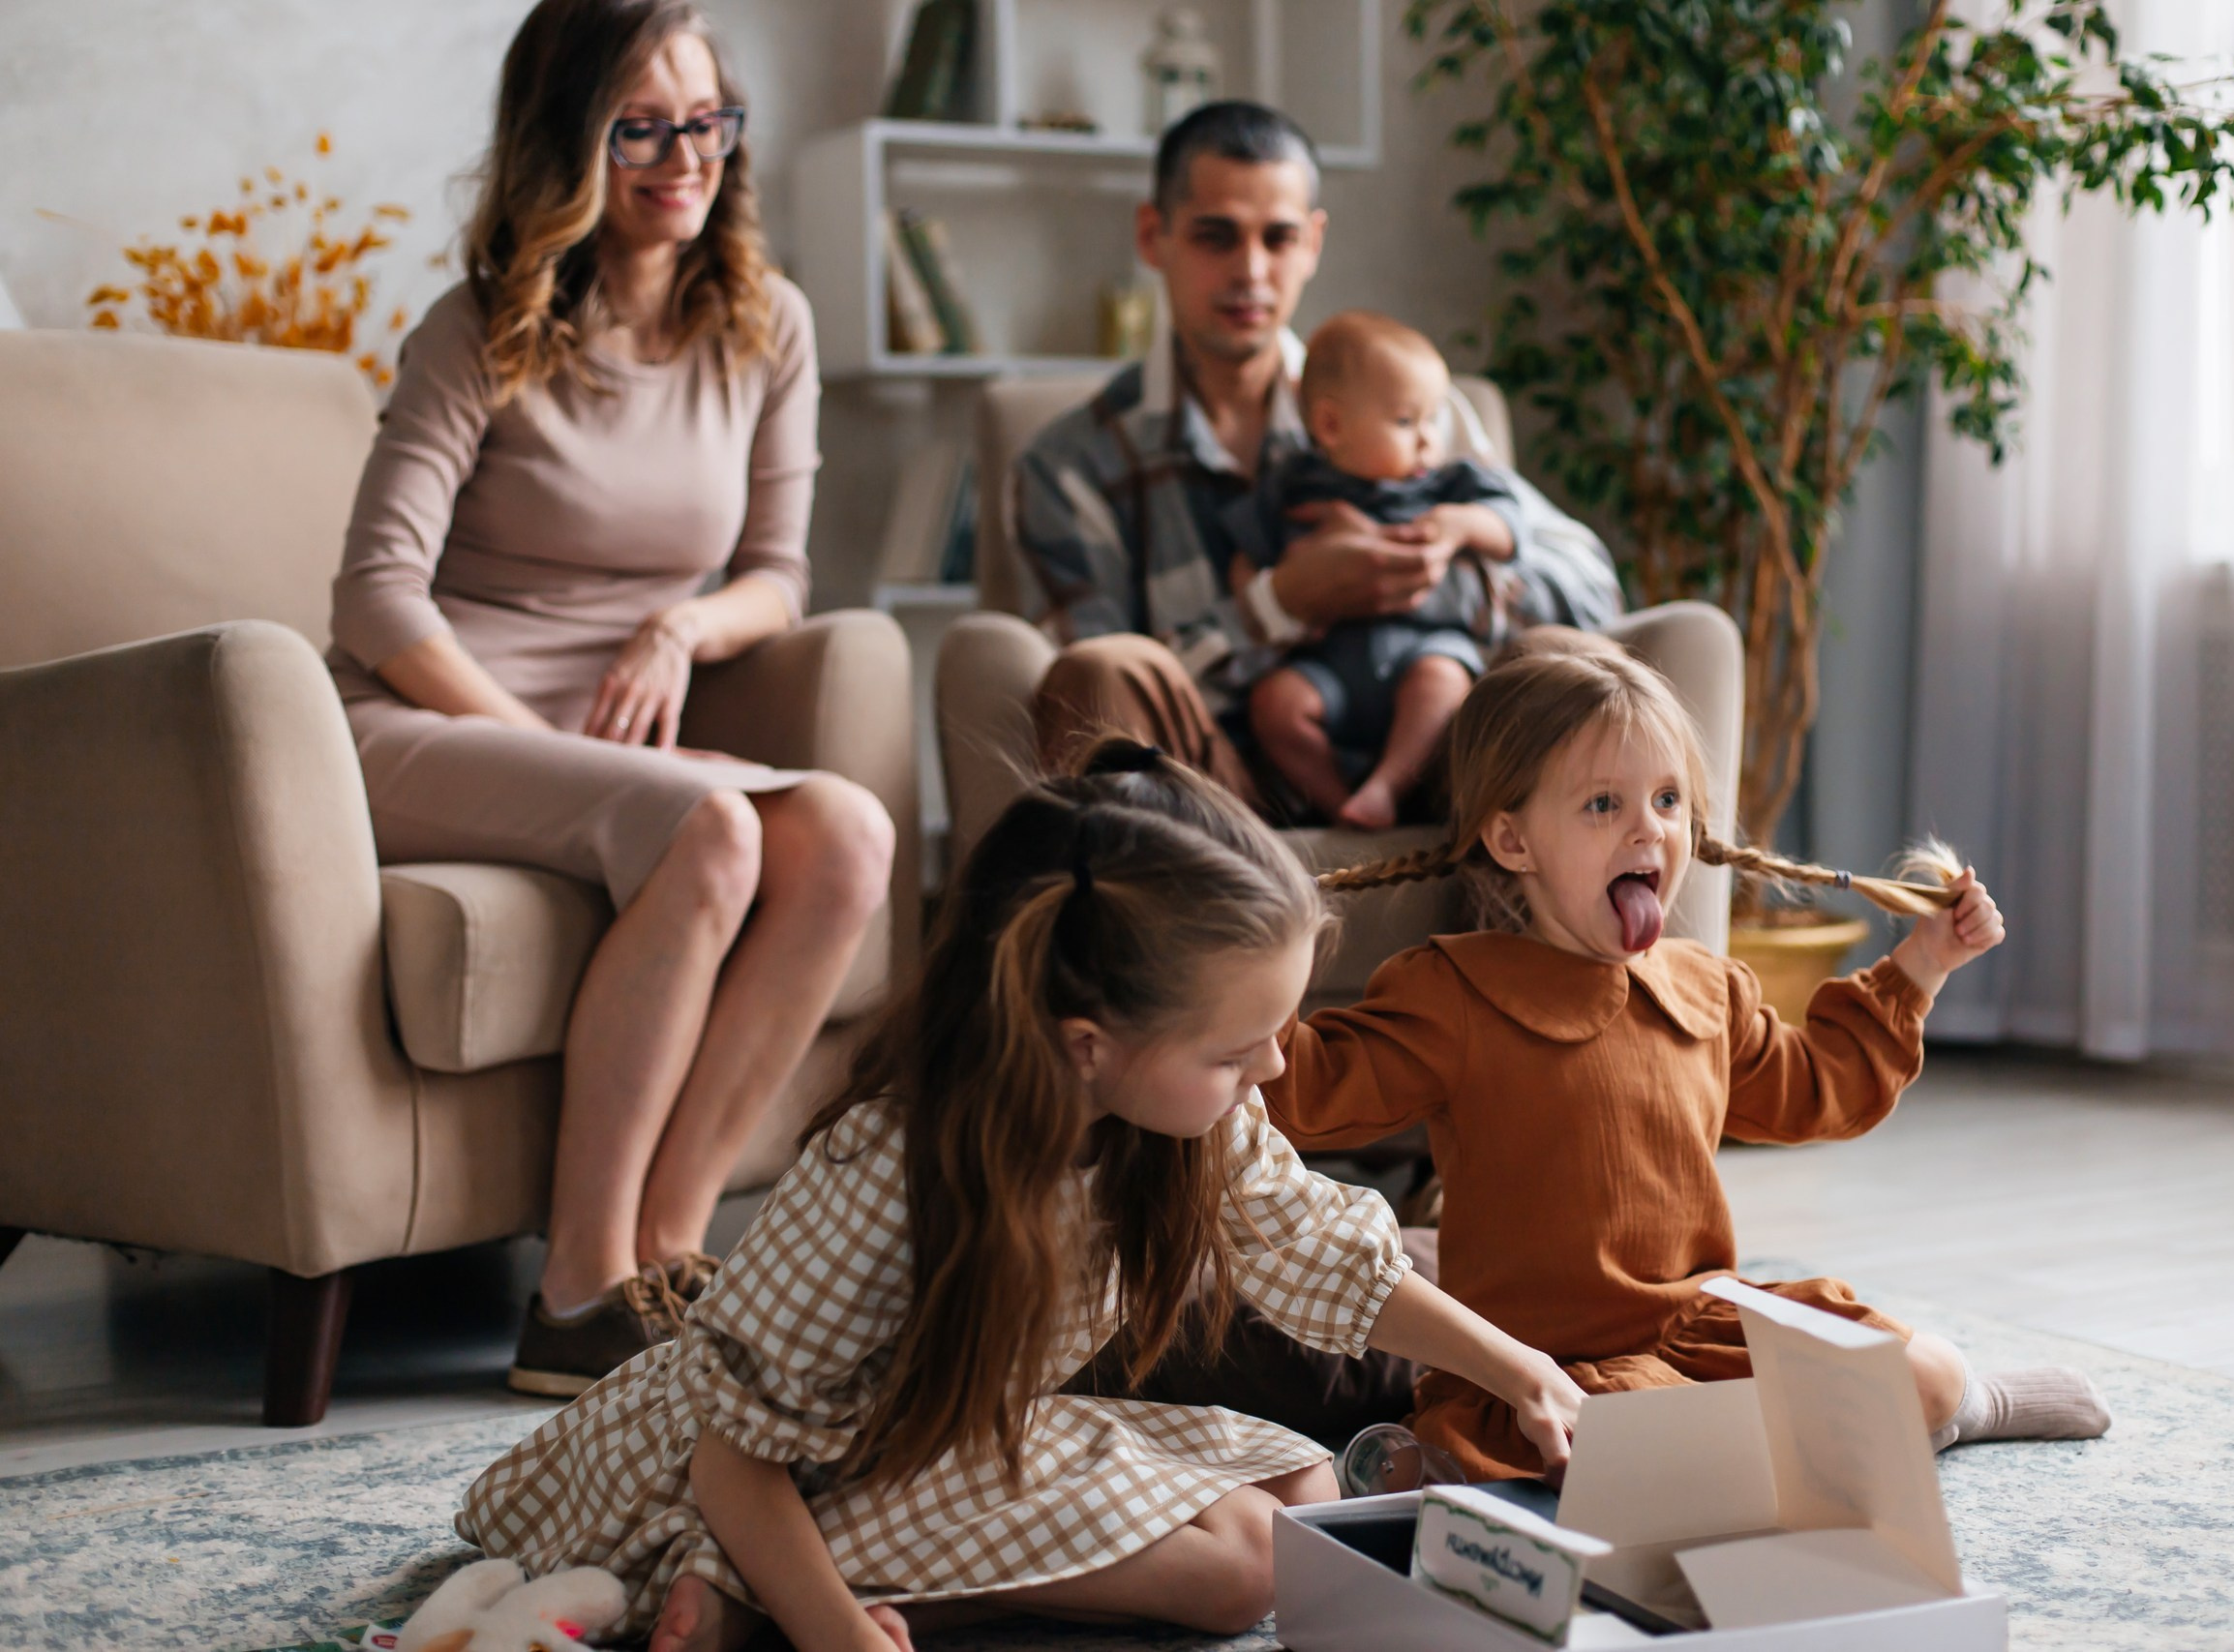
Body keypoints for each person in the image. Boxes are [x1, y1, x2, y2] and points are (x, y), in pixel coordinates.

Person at [452, 740, 1588, 1652]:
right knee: (1244, 1574)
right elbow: (731, 1452)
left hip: (948, 1440)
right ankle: (755, 1593)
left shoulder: (1184, 1116)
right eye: (1239, 1050)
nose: (1275, 1075)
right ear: (1087, 1044)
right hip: (743, 1479)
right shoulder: (884, 1178)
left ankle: (805, 1590)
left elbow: (1318, 1252)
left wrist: (1518, 1368)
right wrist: (835, 1631)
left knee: (1303, 1495)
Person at [325, 0, 893, 1397]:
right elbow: (375, 597)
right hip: (426, 721)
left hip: (608, 737)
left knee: (851, 836)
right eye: (640, 126)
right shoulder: (481, 327)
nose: (682, 156)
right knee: (713, 825)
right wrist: (532, 752)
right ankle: (573, 1289)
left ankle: (668, 1253)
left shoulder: (766, 325)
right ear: (567, 141)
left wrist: (675, 628)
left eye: (707, 121)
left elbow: (778, 574)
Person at [1264, 647, 2114, 1481]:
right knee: (1622, 1444)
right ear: (1514, 840)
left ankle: (1967, 1407)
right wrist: (1254, 982)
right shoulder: (1454, 991)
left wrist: (1921, 966)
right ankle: (1792, 1450)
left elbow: (1819, 1088)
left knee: (1921, 1369)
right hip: (1552, 1362)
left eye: (1668, 799)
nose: (1649, 828)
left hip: (1705, 1324)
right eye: (1604, 803)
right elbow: (1306, 1090)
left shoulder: (1704, 987)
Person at [1013, 101, 1621, 821]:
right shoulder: (1071, 462)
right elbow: (1090, 700)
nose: (1251, 271)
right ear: (1155, 235)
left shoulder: (1408, 406)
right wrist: (1281, 602)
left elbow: (1591, 590)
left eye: (1279, 238)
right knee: (1106, 670)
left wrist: (1408, 571)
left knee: (1558, 654)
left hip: (1433, 773)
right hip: (1208, 799)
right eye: (1216, 237)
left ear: (1314, 243)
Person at [1231, 311, 1520, 830]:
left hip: (1421, 650)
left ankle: (1388, 785)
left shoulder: (1443, 485)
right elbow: (1245, 554)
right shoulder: (1292, 485)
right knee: (1275, 704)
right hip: (1329, 666)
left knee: (1444, 681)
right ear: (1331, 426)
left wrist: (1459, 525)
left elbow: (1508, 526)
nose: (1430, 440)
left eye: (1433, 420)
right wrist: (1267, 596)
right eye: (1408, 422)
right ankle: (1341, 801)